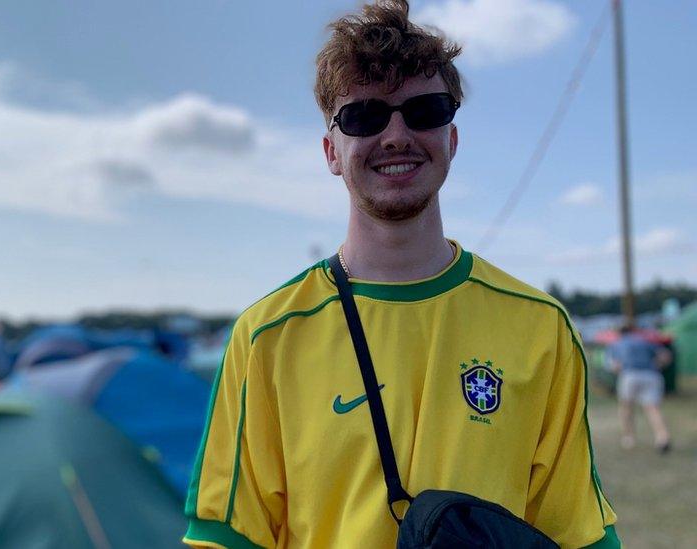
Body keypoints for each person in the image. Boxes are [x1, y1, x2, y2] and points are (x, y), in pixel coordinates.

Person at [183, 2, 618, 548]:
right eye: (364, 116)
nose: (395, 135)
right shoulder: (266, 335)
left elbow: (578, 532)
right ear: (331, 152)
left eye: (424, 111)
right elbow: (226, 537)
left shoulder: (542, 328)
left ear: (451, 140)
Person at [607, 323, 672, 453]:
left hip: (629, 375)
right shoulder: (644, 341)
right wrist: (657, 365)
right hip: (652, 375)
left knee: (626, 407)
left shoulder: (616, 344)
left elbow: (614, 365)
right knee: (653, 409)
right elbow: (666, 355)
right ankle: (662, 437)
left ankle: (629, 438)